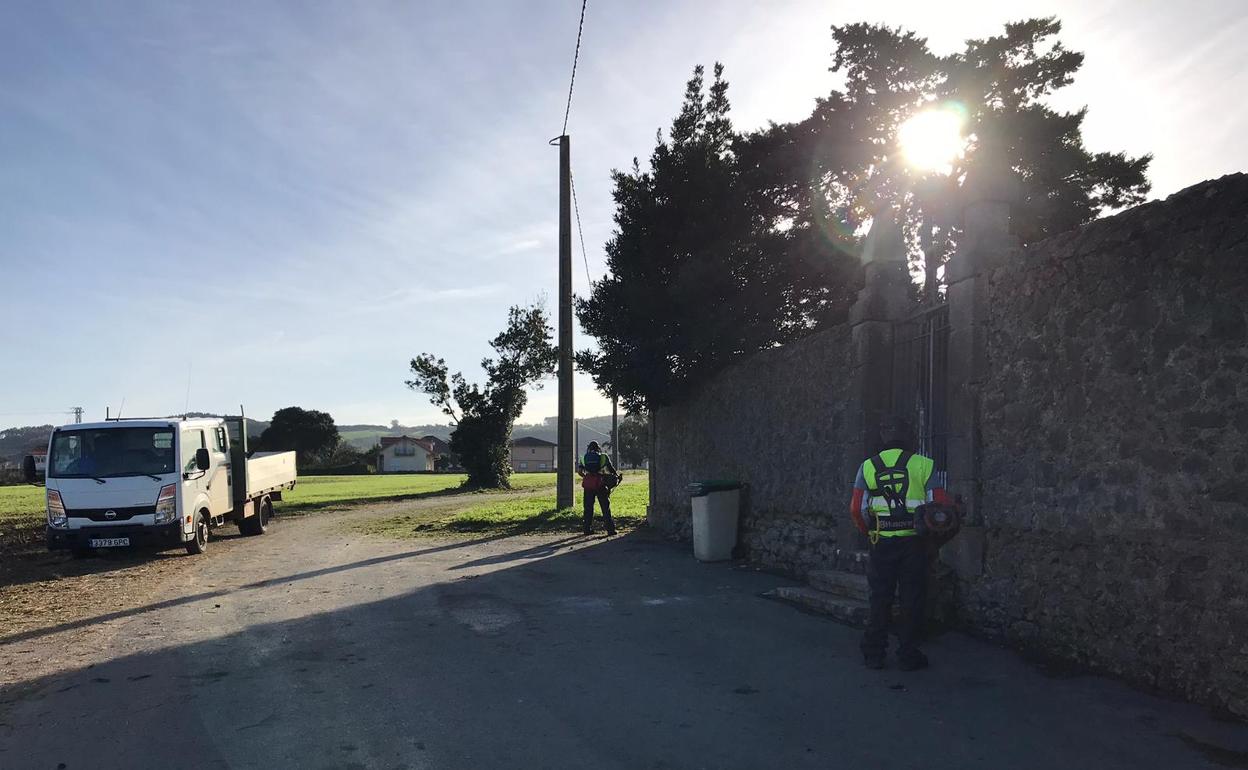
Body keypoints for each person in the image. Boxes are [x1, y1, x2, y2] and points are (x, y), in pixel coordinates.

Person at [848, 424, 948, 671]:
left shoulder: (867, 466)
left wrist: (869, 531)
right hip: (914, 542)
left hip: (881, 541)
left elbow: (857, 508)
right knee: (912, 598)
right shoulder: (924, 464)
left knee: (879, 597)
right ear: (910, 439)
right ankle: (908, 653)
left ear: (882, 440)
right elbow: (939, 506)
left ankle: (874, 654)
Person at [577, 441, 617, 536]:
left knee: (588, 508)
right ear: (598, 448)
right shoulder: (603, 456)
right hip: (600, 484)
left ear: (589, 448)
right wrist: (616, 476)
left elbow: (579, 471)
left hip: (589, 486)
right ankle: (610, 530)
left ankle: (587, 529)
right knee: (605, 507)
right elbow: (611, 469)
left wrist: (587, 477)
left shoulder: (584, 457)